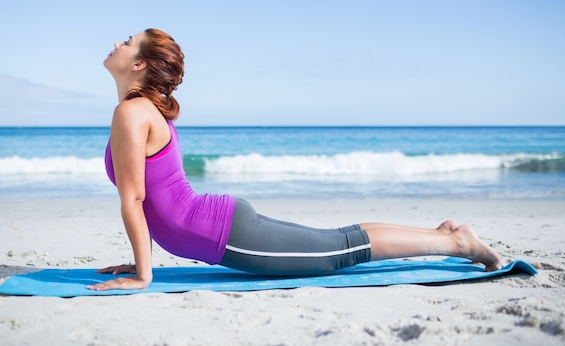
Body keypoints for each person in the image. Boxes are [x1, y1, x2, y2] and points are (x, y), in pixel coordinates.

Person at [87, 29, 503, 291]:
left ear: (139, 63)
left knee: (339, 252)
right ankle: (443, 232)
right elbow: (151, 200)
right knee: (336, 241)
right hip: (218, 225)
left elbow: (136, 200)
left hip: (222, 233)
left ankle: (456, 242)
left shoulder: (131, 112)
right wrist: (142, 259)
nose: (116, 43)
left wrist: (144, 275)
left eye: (125, 42)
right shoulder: (138, 111)